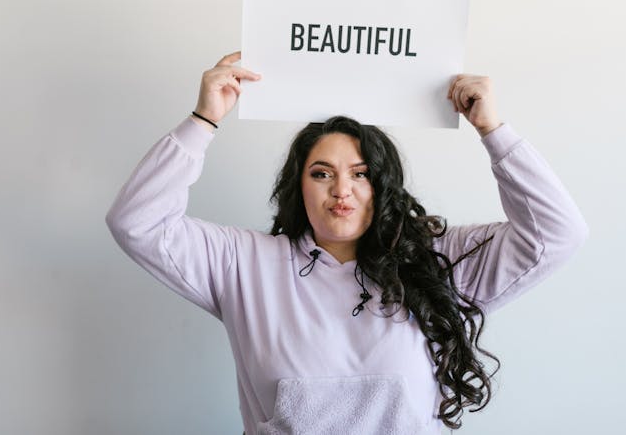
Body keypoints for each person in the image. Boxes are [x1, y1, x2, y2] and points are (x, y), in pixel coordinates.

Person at [106, 51, 588, 434]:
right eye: (322, 174)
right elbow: (137, 222)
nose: (342, 191)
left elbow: (556, 232)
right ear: (298, 185)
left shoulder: (440, 260)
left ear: (384, 185)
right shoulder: (242, 262)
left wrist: (493, 131)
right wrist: (202, 121)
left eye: (361, 174)